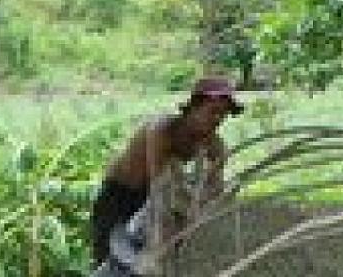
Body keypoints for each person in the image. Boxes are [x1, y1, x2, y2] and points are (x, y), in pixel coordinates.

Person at [90, 76, 244, 266]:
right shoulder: (162, 129)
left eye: (224, 114)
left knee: (145, 265)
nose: (218, 119)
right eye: (213, 112)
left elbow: (215, 188)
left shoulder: (215, 145)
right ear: (194, 108)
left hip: (147, 195)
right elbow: (160, 186)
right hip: (119, 192)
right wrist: (177, 214)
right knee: (109, 259)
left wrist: (208, 201)